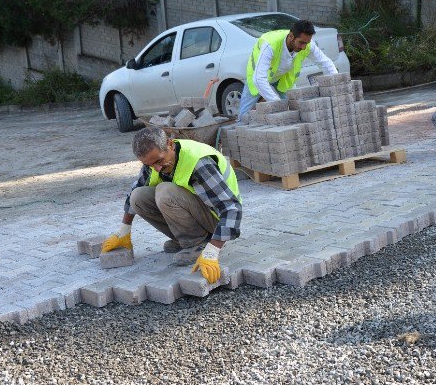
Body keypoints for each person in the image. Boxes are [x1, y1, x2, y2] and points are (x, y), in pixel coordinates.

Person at [101, 127, 242, 284]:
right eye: (149, 164)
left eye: (159, 161)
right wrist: (124, 230)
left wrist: (213, 250)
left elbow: (232, 208)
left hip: (217, 220)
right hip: (198, 212)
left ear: (170, 144)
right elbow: (134, 190)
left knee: (165, 191)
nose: (156, 168)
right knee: (138, 197)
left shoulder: (198, 163)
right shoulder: (153, 162)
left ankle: (199, 245)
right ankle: (185, 240)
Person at [237, 19, 338, 121]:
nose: (304, 47)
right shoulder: (270, 44)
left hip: (282, 78)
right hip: (258, 77)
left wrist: (337, 84)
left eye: (306, 43)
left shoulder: (308, 44)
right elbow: (259, 79)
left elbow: (325, 63)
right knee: (244, 116)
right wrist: (278, 103)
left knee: (293, 113)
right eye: (301, 43)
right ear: (291, 37)